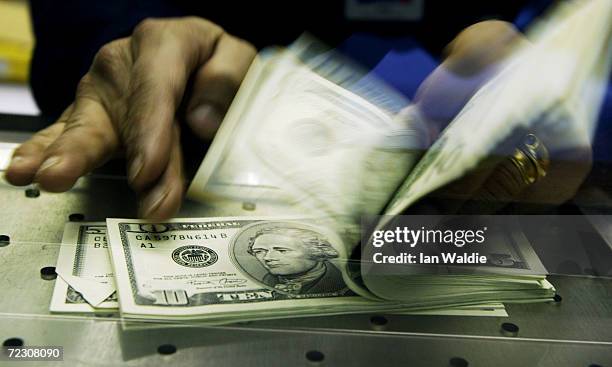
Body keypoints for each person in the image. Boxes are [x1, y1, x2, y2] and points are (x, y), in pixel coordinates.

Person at [4, 2, 592, 218]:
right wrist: (124, 52)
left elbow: (549, 30)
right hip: (179, 158)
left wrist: (551, 85)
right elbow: (86, 26)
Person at [247, 227, 349, 295]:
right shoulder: (267, 281)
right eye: (259, 251)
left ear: (317, 252)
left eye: (282, 250)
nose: (267, 258)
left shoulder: (345, 284)